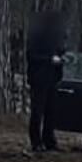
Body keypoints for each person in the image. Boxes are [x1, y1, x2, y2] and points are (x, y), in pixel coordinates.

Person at [26, 10, 66, 152]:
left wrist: (63, 58)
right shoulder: (36, 35)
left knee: (51, 112)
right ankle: (36, 142)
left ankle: (49, 140)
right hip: (39, 79)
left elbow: (60, 51)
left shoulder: (57, 37)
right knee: (37, 111)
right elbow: (31, 56)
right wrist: (49, 59)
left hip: (53, 79)